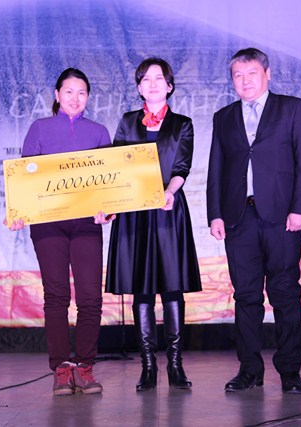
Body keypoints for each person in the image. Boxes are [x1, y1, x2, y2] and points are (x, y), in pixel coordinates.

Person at [206, 48, 301, 393]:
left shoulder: (293, 108)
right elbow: (216, 169)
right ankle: (249, 369)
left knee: (285, 293)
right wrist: (215, 214)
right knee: (246, 296)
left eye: (252, 73)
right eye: (238, 75)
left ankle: (290, 370)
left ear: (267, 74)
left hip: (282, 217)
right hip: (239, 218)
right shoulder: (224, 117)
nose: (245, 81)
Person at [97, 57, 202, 391]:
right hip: (133, 213)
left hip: (168, 209)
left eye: (159, 78)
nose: (153, 84)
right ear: (139, 87)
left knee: (172, 287)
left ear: (169, 86)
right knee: (141, 288)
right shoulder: (127, 122)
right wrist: (110, 205)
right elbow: (116, 168)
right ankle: (147, 366)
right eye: (146, 79)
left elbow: (181, 166)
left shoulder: (182, 124)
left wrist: (169, 192)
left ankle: (175, 365)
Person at [7, 68, 111, 396]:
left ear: (88, 97)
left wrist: (108, 208)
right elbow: (25, 178)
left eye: (82, 92)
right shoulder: (39, 128)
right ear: (56, 94)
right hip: (48, 223)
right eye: (69, 92)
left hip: (86, 224)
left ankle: (85, 367)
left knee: (91, 297)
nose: (75, 98)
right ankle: (62, 369)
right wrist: (18, 211)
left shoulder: (98, 132)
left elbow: (109, 182)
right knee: (56, 296)